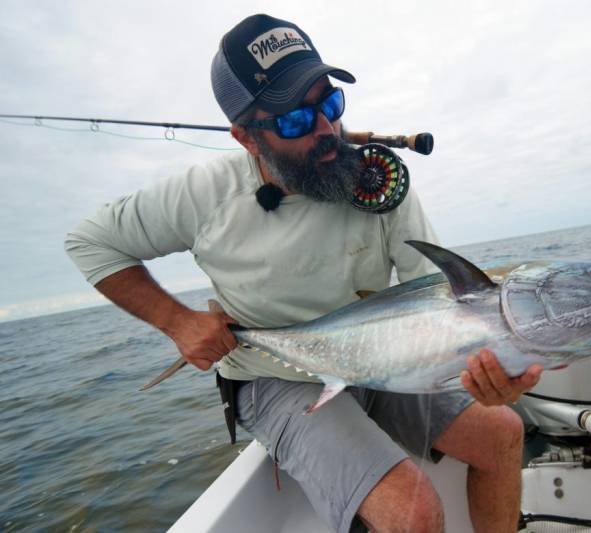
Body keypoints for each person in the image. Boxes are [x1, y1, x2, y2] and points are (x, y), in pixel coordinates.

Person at [65, 13, 544, 533]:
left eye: (330, 103)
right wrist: (177, 322)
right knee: (413, 511)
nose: (326, 130)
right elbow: (90, 242)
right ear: (247, 138)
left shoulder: (376, 183)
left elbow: (441, 300)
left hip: (382, 356)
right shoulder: (207, 196)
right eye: (295, 120)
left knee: (502, 432)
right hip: (274, 374)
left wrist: (483, 366)